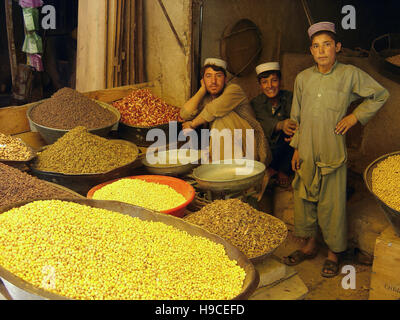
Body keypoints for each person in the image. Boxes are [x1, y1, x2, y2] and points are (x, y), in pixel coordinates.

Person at [283, 22, 389, 277]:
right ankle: (308, 246)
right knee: (305, 199)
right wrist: (296, 148)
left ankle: (333, 254)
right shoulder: (303, 79)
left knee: (332, 205)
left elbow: (380, 94)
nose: (321, 51)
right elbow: (296, 116)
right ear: (311, 51)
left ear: (337, 47)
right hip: (306, 150)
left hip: (332, 151)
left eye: (327, 45)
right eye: (316, 46)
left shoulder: (349, 74)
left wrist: (355, 117)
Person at [180, 58, 270, 164]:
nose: (213, 81)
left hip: (250, 147)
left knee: (221, 117)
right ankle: (222, 168)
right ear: (203, 80)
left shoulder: (234, 90)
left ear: (225, 79)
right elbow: (185, 114)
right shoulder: (207, 97)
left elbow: (214, 109)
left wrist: (192, 124)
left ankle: (228, 169)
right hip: (225, 150)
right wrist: (202, 90)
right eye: (208, 76)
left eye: (218, 75)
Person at [251, 62, 296, 187]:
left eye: (274, 80)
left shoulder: (290, 97)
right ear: (260, 85)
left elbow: (297, 119)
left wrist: (290, 126)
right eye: (265, 82)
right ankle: (270, 169)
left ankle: (282, 170)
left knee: (292, 133)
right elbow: (264, 122)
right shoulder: (256, 103)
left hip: (286, 146)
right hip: (267, 148)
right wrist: (281, 124)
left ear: (280, 82)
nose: (270, 86)